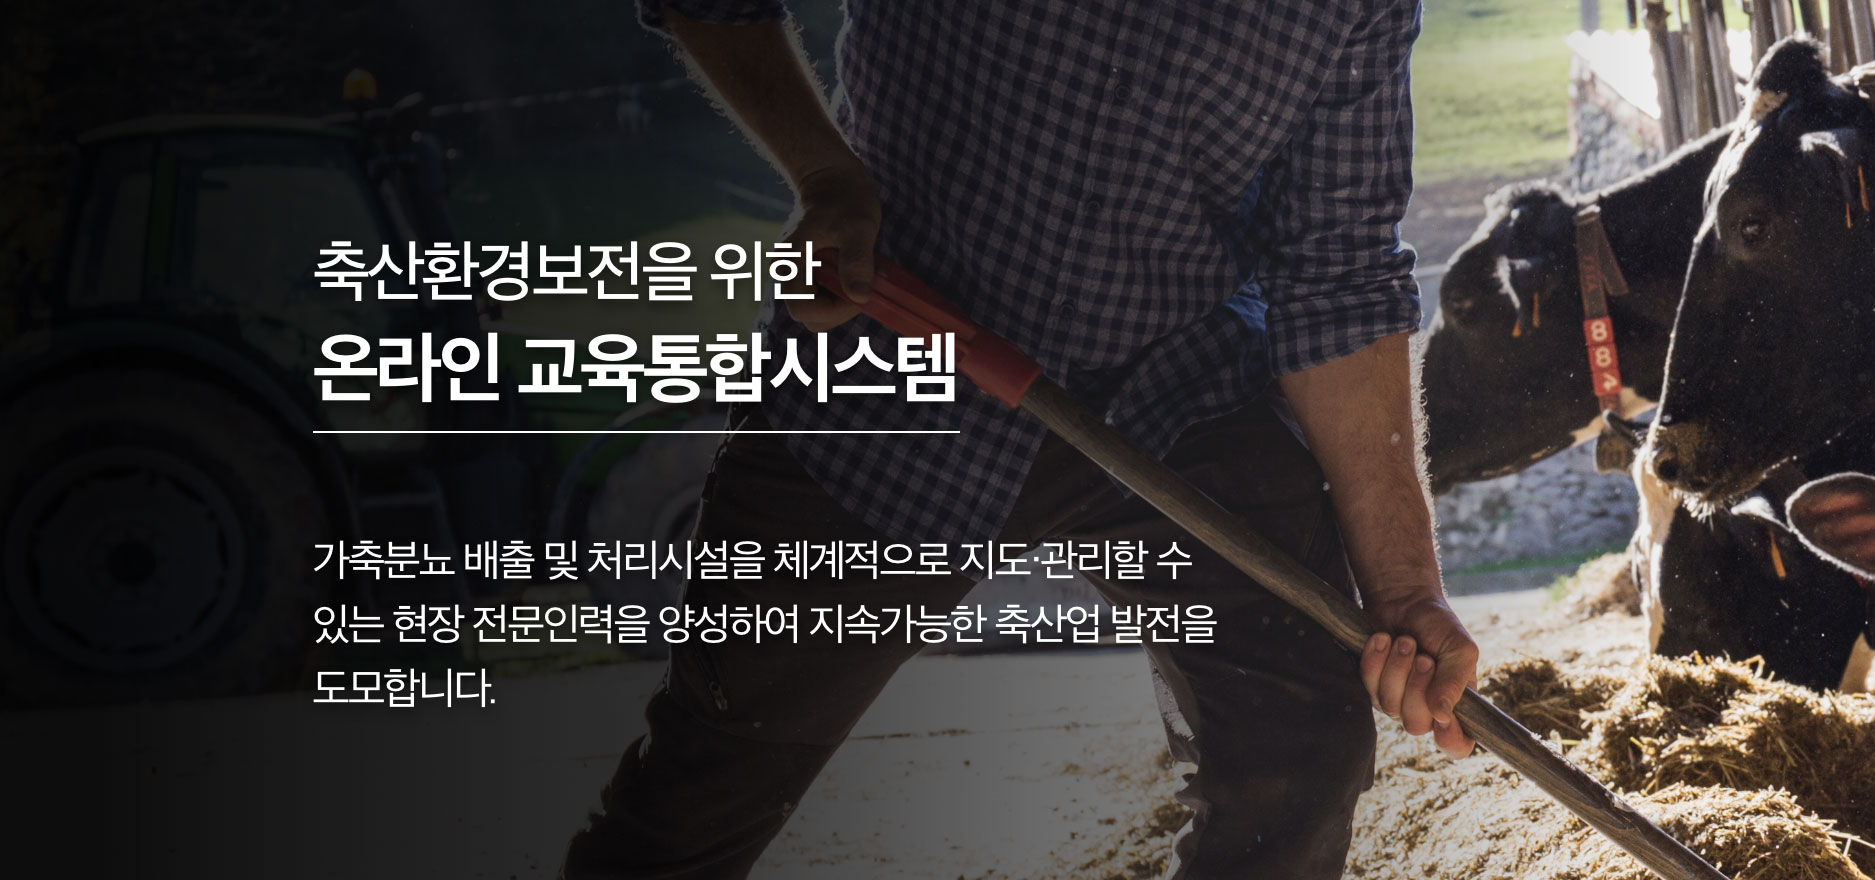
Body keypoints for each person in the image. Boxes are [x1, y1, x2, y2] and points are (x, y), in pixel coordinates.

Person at [566, 2, 1476, 878]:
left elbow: (1341, 269)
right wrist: (824, 175)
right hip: (896, 363)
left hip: (1175, 380)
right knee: (704, 792)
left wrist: (1404, 591)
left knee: (1299, 746)